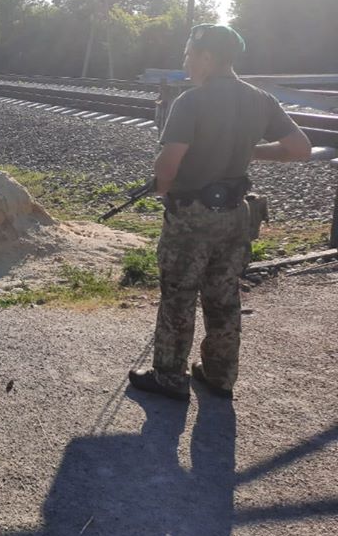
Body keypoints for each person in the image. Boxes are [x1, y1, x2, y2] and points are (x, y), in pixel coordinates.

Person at [129, 25, 311, 401]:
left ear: (207, 57)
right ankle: (219, 375)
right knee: (224, 295)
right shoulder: (260, 100)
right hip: (235, 214)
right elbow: (299, 148)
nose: (186, 62)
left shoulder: (192, 101)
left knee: (179, 294)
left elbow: (169, 162)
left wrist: (163, 190)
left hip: (192, 216)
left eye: (189, 54)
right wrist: (251, 151)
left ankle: (168, 377)